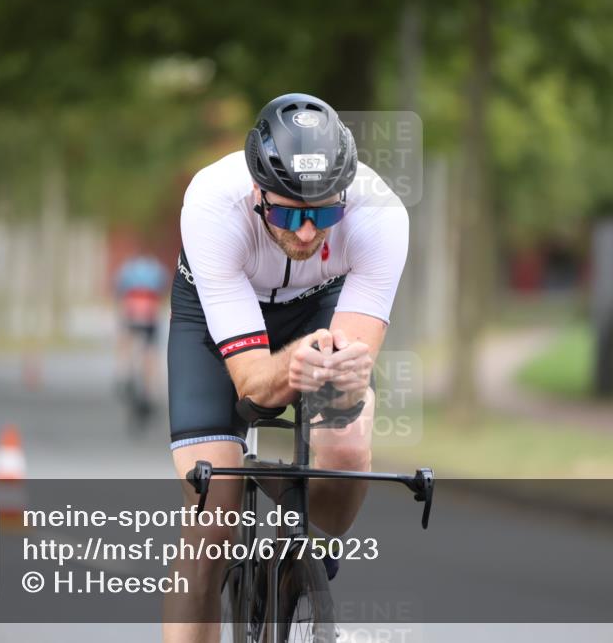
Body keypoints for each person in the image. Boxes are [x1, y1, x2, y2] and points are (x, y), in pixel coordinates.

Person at [164, 93, 408, 639]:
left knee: (346, 450)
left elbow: (350, 366)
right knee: (214, 512)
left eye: (323, 213)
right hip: (213, 316)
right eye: (287, 212)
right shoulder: (210, 203)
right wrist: (294, 364)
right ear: (257, 193)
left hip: (319, 307)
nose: (305, 232)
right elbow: (254, 385)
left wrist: (337, 378)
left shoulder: (380, 214)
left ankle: (298, 574)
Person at [114, 246, 169, 409]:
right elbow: (163, 289)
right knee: (150, 351)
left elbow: (120, 290)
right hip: (150, 313)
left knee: (126, 340)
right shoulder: (157, 268)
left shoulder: (128, 268)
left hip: (131, 311)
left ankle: (125, 371)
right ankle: (150, 389)